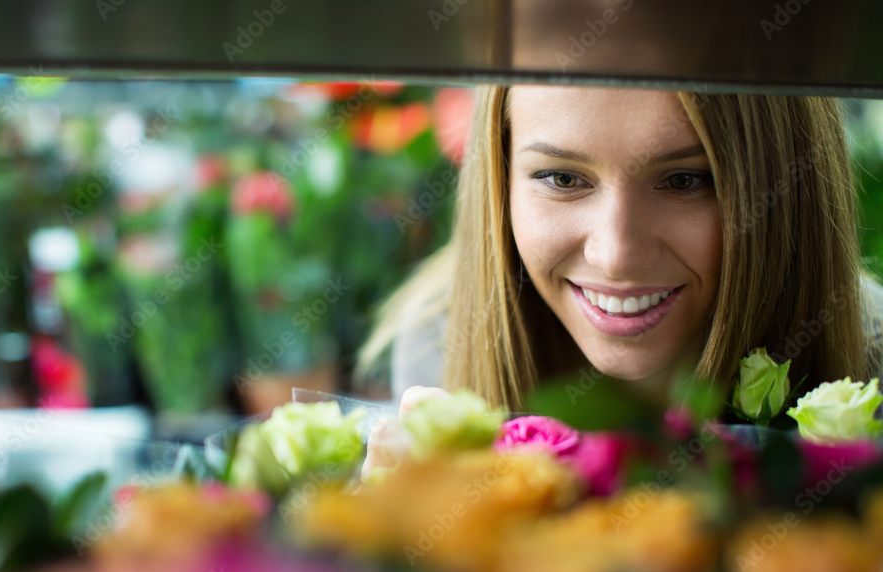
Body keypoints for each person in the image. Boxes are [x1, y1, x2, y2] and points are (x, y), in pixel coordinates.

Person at [358, 84, 883, 417]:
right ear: (500, 178)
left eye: (683, 180)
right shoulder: (441, 339)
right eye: (563, 178)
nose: (616, 256)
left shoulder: (870, 363)